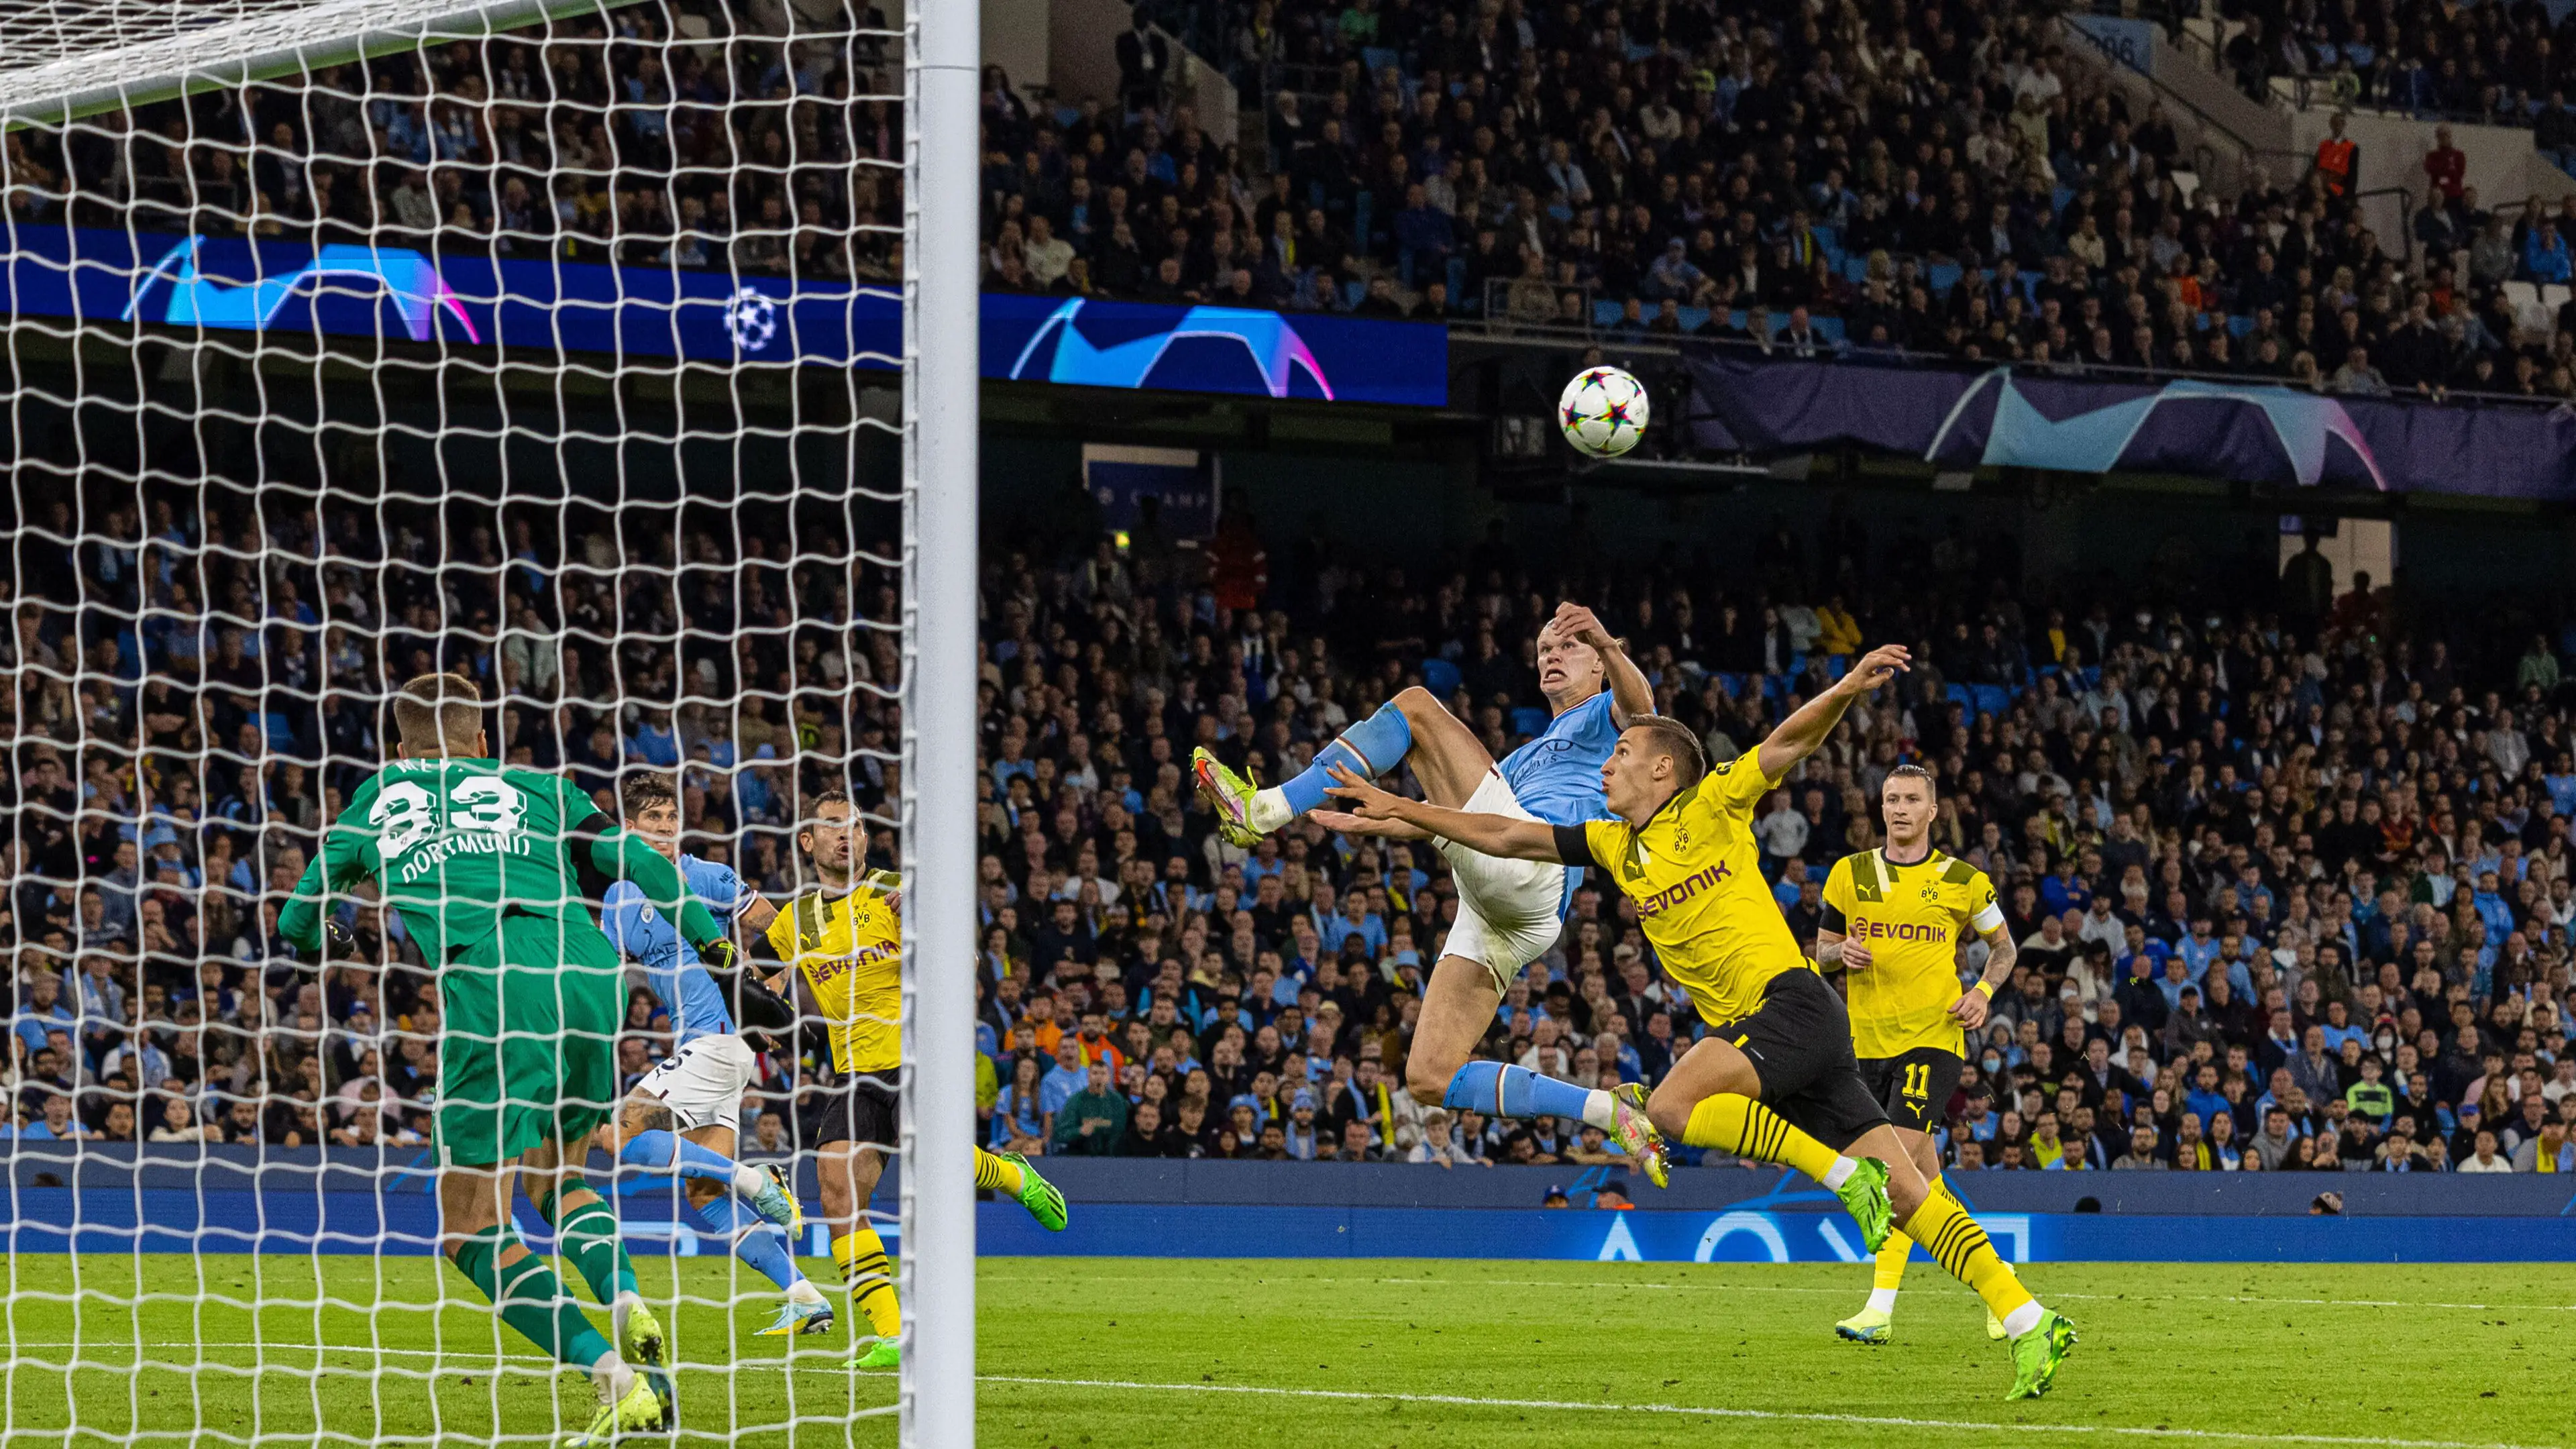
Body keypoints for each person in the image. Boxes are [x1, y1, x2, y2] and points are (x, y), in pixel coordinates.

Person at [1321, 645, 2076, 1400]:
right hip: (1793, 1031)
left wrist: (1845, 687)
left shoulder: (1713, 805)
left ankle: (1846, 1177)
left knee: (1672, 1107)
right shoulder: (1616, 845)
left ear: (1662, 771)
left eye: (1620, 753)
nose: (1606, 766)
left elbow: (1786, 743)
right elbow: (1505, 837)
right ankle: (2026, 1317)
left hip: (1789, 1006)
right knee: (1913, 1195)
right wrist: (1403, 811)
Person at [277, 672, 700, 1445]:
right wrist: (708, 933)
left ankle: (614, 1378)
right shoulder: (540, 783)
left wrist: (321, 942)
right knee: (558, 1179)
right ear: (482, 742)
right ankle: (627, 1297)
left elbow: (297, 916)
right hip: (590, 972)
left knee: (470, 1230)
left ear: (401, 746)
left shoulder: (384, 792)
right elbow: (630, 856)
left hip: (494, 981)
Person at [1192, 602, 1669, 1181]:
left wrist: (1609, 641)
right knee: (1431, 1076)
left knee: (1416, 706)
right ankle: (1608, 1109)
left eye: (1569, 645)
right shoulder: (1521, 759)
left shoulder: (1607, 716)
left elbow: (1645, 711)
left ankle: (1263, 809)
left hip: (1531, 868)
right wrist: (1387, 819)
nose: (1552, 655)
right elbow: (1459, 822)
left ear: (1599, 662)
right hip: (1510, 909)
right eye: (1545, 648)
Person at [759, 790, 1069, 1370]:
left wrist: (925, 930)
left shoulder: (896, 892)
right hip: (854, 1070)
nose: (844, 833)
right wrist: (762, 1007)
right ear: (808, 842)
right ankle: (894, 1332)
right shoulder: (794, 920)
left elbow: (971, 967)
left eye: (853, 824)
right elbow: (755, 974)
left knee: (937, 1167)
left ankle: (1011, 1175)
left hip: (918, 1054)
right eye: (831, 825)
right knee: (836, 1191)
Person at [598, 773, 826, 1336]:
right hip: (701, 1048)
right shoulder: (618, 897)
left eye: (672, 820)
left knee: (616, 1135)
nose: (666, 830)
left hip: (721, 1041)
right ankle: (804, 1294)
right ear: (629, 829)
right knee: (704, 1192)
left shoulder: (710, 878)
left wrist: (768, 996)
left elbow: (777, 927)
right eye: (654, 821)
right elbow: (604, 975)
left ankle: (760, 1182)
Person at [1819, 764, 2020, 1345]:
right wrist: (1842, 955)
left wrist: (1982, 993)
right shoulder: (1849, 874)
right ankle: (1999, 1283)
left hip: (1933, 1039)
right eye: (1891, 799)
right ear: (1880, 808)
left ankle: (1879, 1309)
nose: (1900, 808)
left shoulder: (1963, 880)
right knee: (1925, 1186)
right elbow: (1824, 949)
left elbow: (2002, 947)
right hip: (1865, 1044)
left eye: (1912, 800)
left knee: (1890, 1175)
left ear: (1933, 811)